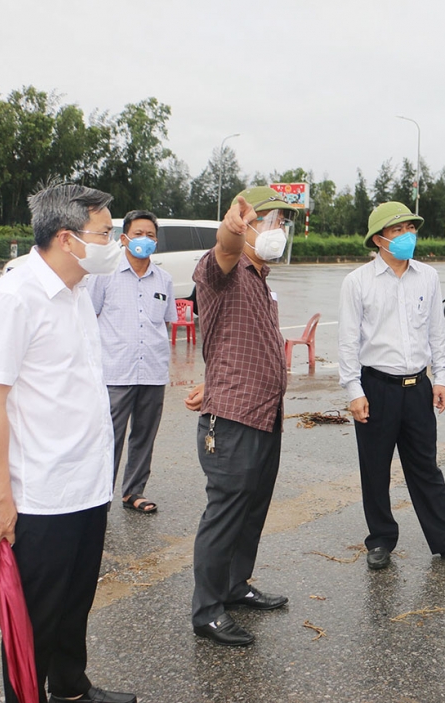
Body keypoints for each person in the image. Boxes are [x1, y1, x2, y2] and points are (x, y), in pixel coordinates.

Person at [0, 184, 136, 703]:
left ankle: (70, 687)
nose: (114, 241)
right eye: (106, 233)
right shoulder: (13, 296)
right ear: (67, 238)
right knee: (36, 620)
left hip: (87, 484)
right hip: (42, 495)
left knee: (74, 604)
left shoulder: (77, 290)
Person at [338, 201, 445, 572]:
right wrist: (353, 391)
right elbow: (347, 341)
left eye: (411, 228)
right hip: (376, 387)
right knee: (375, 469)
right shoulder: (357, 282)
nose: (408, 236)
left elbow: (436, 332)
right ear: (379, 239)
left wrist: (440, 378)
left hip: (417, 387)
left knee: (426, 467)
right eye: (398, 230)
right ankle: (381, 540)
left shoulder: (428, 277)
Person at [186, 186, 298, 647]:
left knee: (251, 510)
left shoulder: (260, 279)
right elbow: (224, 251)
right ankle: (207, 610)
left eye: (281, 223)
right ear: (247, 224)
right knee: (225, 514)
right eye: (270, 220)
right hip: (232, 419)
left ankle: (235, 585)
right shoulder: (221, 272)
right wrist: (232, 229)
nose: (278, 230)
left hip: (263, 415)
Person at [87, 211, 177, 514]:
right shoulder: (104, 276)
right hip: (115, 371)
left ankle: (134, 492)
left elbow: (164, 323)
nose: (145, 240)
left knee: (144, 435)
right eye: (138, 233)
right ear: (124, 238)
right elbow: (88, 317)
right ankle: (99, 497)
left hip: (152, 370)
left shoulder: (164, 279)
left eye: (150, 235)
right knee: (109, 437)